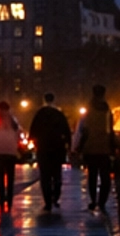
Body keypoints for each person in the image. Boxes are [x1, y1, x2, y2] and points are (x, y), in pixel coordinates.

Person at [73, 85, 115, 215]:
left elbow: (83, 130)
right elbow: (110, 131)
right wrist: (112, 147)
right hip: (104, 148)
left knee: (92, 176)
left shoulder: (88, 110)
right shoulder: (107, 110)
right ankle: (102, 201)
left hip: (90, 148)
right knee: (105, 177)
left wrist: (79, 147)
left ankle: (93, 200)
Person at [28, 91, 72, 214]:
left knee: (45, 175)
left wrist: (34, 142)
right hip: (57, 148)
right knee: (57, 173)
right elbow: (66, 131)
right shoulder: (59, 114)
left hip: (43, 148)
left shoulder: (40, 114)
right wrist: (69, 145)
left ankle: (47, 200)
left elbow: (33, 132)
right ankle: (55, 195)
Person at [0, 98, 21, 215]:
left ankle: (2, 197)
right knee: (11, 177)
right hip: (10, 152)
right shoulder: (13, 120)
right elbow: (18, 133)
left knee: (0, 176)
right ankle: (10, 199)